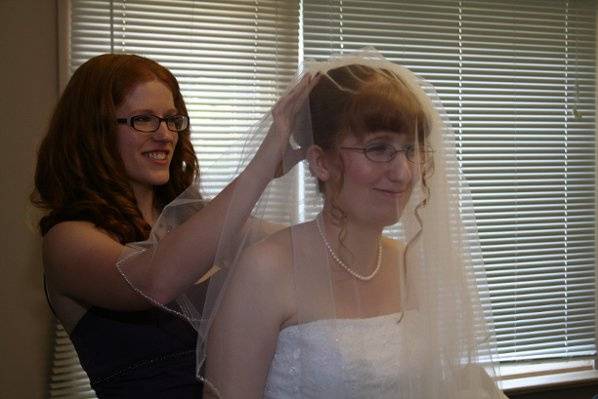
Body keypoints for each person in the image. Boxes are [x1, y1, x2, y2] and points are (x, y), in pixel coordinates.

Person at [200, 50, 509, 398]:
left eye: (410, 150)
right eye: (378, 148)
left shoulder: (410, 263)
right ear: (321, 162)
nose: (403, 172)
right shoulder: (266, 268)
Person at [31, 53, 319, 398]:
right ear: (93, 131)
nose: (166, 135)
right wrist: (261, 167)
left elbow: (295, 246)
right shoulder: (67, 238)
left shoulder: (190, 218)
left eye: (171, 120)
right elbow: (156, 281)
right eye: (144, 120)